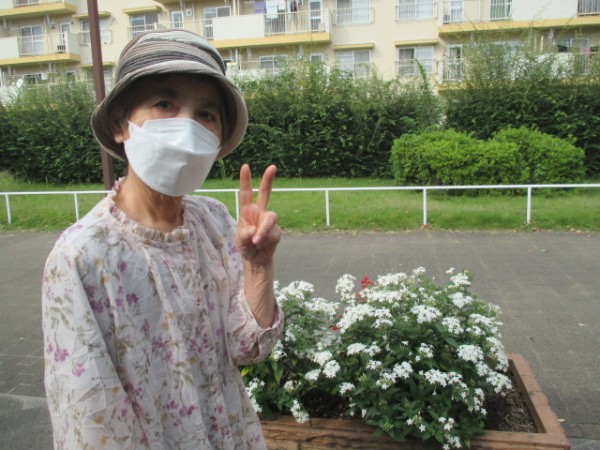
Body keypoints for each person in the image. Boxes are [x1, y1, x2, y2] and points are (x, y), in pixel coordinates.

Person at [42, 29, 283, 449]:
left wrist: (258, 265)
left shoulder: (213, 221)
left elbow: (247, 348)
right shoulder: (83, 256)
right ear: (120, 124)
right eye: (165, 104)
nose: (186, 126)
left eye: (206, 113)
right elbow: (88, 418)